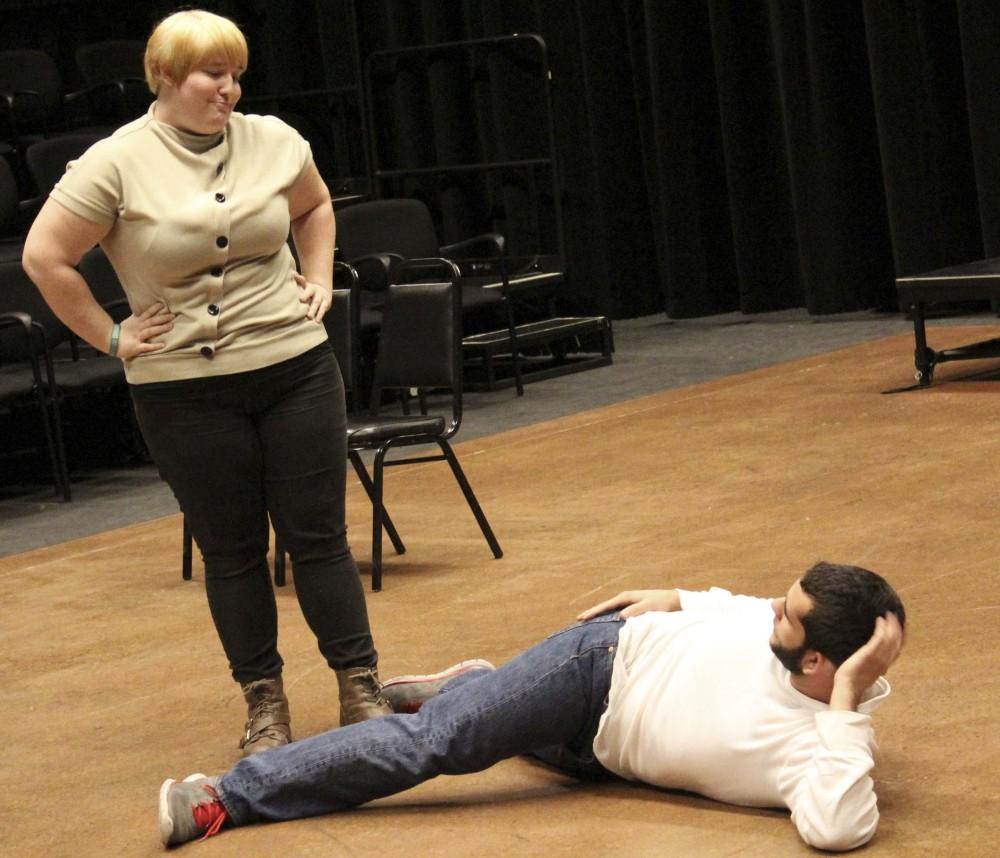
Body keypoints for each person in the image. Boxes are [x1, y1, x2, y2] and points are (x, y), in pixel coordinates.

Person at [21, 9, 392, 756]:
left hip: (295, 369)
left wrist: (317, 277)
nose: (229, 89)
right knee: (230, 552)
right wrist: (113, 335)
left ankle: (361, 688)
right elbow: (44, 258)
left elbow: (314, 206)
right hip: (183, 391)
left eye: (236, 75)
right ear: (164, 77)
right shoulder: (116, 161)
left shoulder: (275, 139)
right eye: (212, 75)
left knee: (319, 538)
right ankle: (265, 706)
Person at [158, 561, 906, 851]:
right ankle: (229, 797)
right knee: (439, 744)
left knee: (484, 721)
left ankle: (481, 683)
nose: (772, 606)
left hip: (602, 758)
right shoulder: (781, 633)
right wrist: (676, 596)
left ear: (820, 665)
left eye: (789, 615)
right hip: (597, 666)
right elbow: (742, 601)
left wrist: (844, 703)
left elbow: (838, 829)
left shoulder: (829, 744)